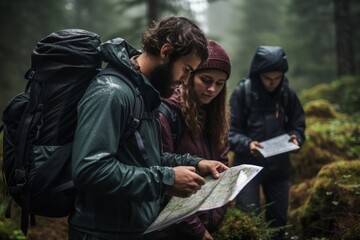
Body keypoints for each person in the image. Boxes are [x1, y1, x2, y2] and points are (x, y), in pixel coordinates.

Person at [68, 16, 228, 240]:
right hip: (102, 232)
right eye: (186, 69)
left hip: (133, 229)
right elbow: (89, 170)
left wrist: (197, 163)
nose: (185, 80)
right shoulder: (112, 92)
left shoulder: (143, 92)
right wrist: (166, 180)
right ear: (165, 51)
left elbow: (146, 158)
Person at [229, 46, 306, 240]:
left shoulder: (287, 94)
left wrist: (296, 137)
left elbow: (298, 123)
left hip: (279, 168)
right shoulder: (242, 93)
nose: (272, 83)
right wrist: (247, 144)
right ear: (257, 74)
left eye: (277, 78)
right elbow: (229, 131)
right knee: (249, 220)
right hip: (247, 168)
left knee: (278, 222)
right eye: (267, 78)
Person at [157, 40, 232, 240]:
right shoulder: (167, 114)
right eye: (206, 80)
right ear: (190, 76)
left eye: (219, 83)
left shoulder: (217, 117)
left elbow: (222, 168)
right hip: (173, 230)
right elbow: (165, 177)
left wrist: (218, 215)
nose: (212, 89)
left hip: (209, 225)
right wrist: (197, 231)